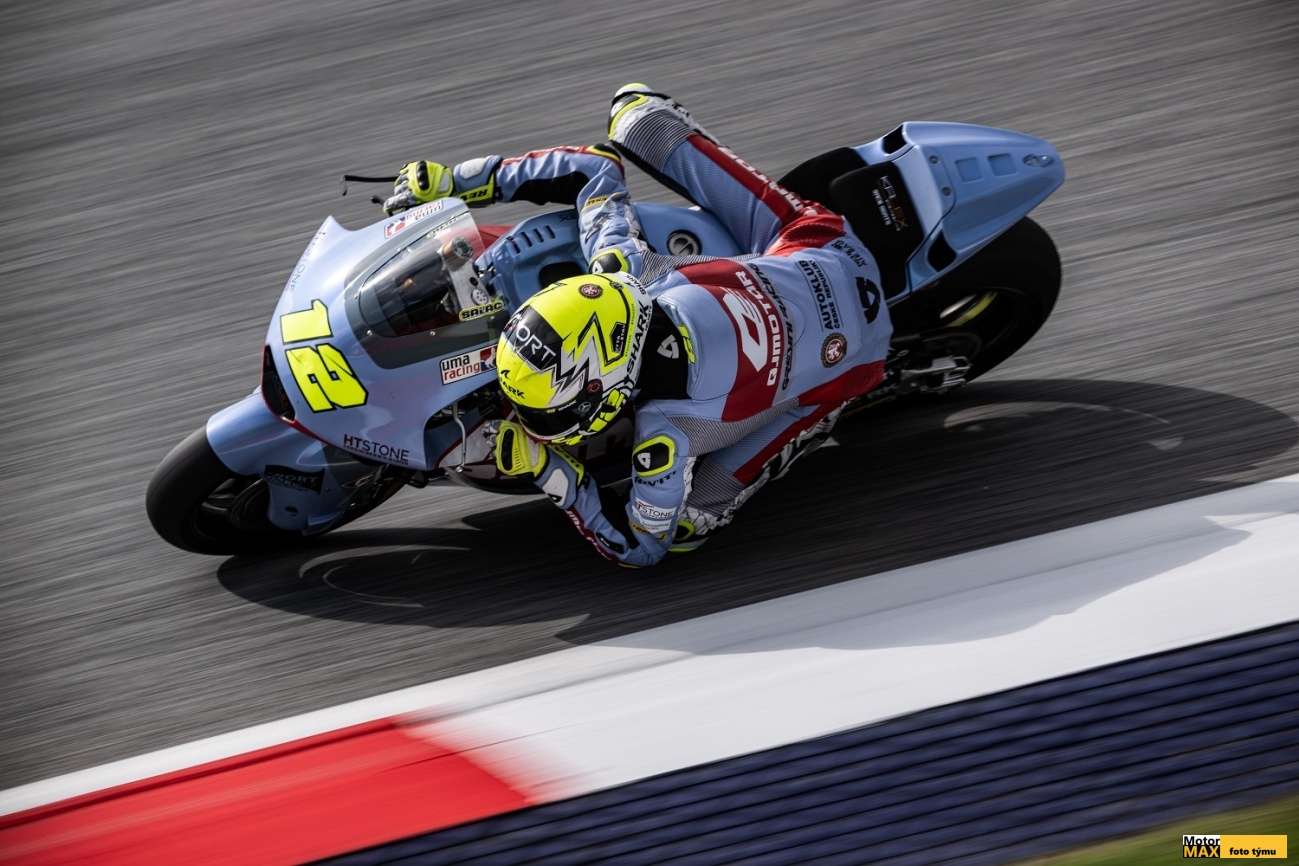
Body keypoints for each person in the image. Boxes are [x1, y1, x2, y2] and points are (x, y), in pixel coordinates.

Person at [384, 85, 892, 566]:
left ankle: (831, 411)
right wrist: (459, 182)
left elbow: (641, 547)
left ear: (607, 393)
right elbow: (595, 166)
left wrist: (546, 466)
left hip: (854, 362)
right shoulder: (624, 267)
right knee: (635, 115)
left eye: (546, 413)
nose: (529, 419)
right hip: (820, 242)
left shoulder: (664, 439)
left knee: (689, 525)